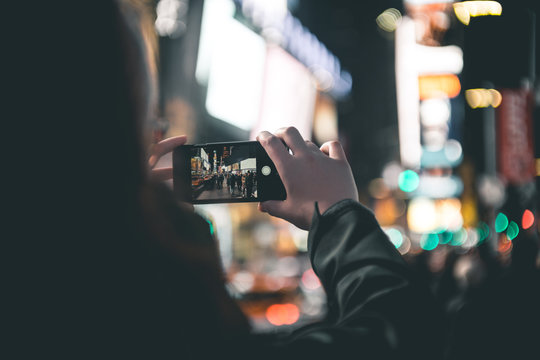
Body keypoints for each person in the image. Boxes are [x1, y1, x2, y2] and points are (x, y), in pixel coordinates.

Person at [6, 1, 445, 359]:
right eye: (143, 125)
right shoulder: (171, 316)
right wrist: (338, 213)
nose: (159, 138)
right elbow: (403, 334)